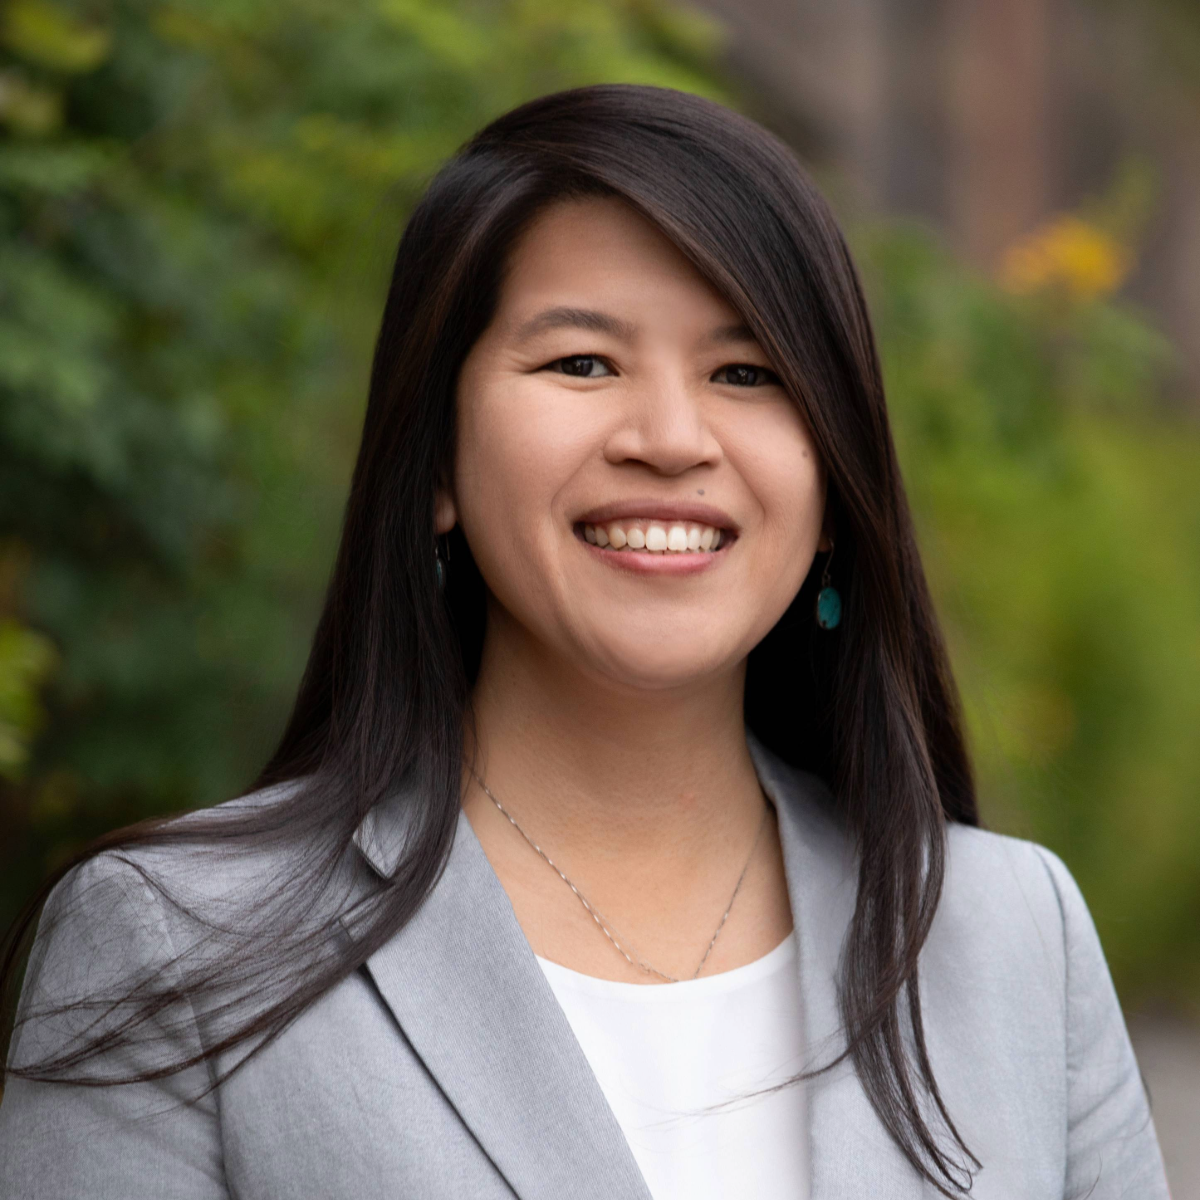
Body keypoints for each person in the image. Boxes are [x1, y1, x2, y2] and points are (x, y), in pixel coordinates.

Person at [0, 84, 1169, 1200]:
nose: (669, 437)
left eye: (747, 372)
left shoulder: (1012, 934)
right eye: (581, 362)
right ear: (438, 461)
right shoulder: (179, 945)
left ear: (830, 481)